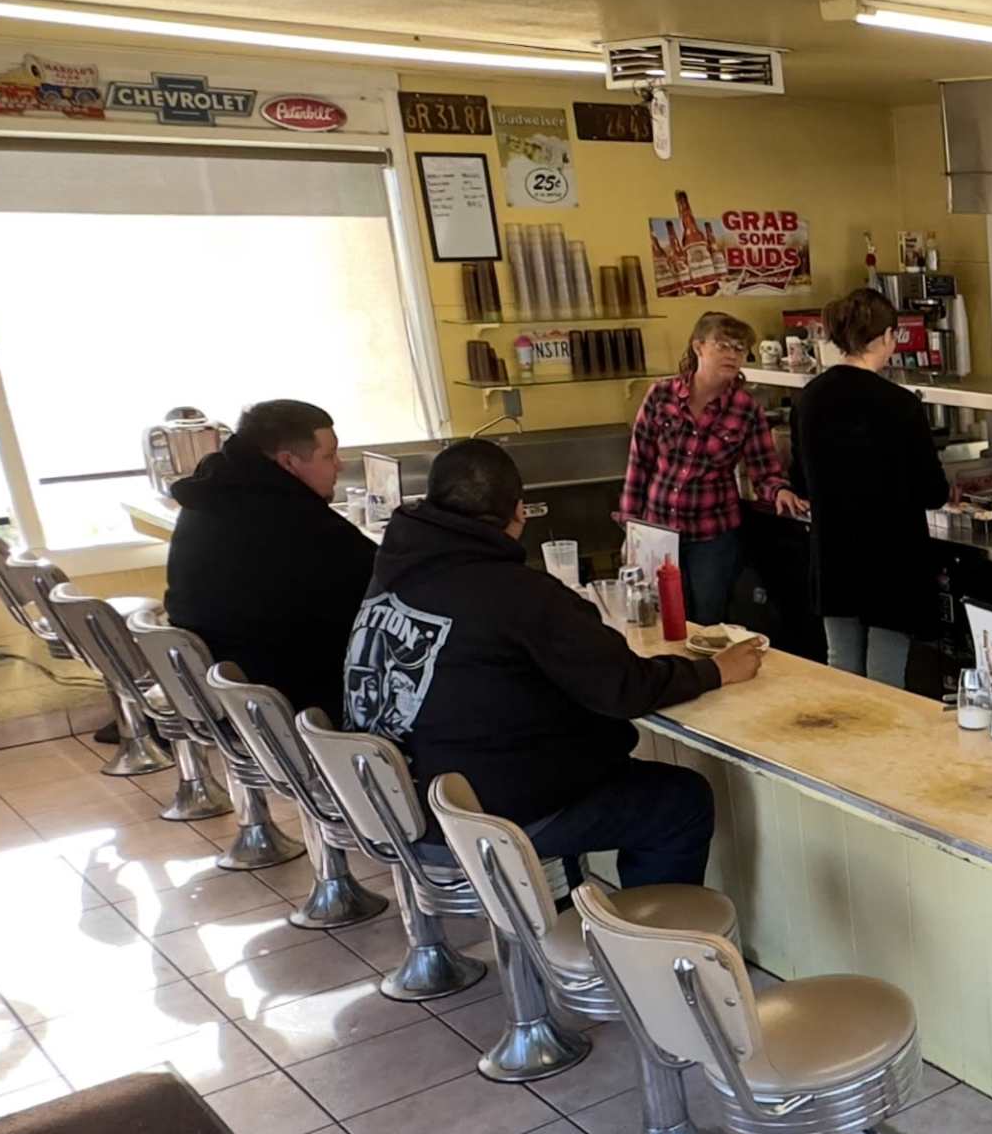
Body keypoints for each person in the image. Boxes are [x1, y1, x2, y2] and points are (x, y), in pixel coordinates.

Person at [346, 439, 763, 889]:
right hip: (480, 816)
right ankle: (648, 948)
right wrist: (715, 670)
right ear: (519, 512)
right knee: (679, 801)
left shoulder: (392, 568)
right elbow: (623, 687)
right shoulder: (519, 593)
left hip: (395, 799)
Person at [164, 399, 376, 716]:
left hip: (211, 678)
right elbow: (379, 584)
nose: (340, 466)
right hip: (279, 696)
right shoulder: (298, 523)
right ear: (288, 462)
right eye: (329, 456)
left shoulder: (211, 493)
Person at [789, 286, 948, 691]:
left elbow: (801, 483)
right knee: (885, 678)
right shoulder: (900, 404)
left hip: (834, 552)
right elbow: (933, 491)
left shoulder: (809, 399)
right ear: (888, 337)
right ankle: (882, 754)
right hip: (891, 556)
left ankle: (844, 752)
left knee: (840, 664)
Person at [618, 309, 802, 626]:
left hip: (712, 535)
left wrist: (780, 490)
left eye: (740, 348)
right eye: (723, 345)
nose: (732, 354)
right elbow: (640, 462)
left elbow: (764, 469)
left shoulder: (745, 409)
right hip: (659, 529)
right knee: (662, 618)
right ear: (698, 346)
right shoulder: (661, 395)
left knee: (707, 621)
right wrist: (631, 527)